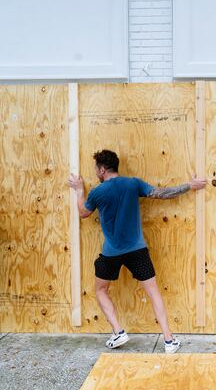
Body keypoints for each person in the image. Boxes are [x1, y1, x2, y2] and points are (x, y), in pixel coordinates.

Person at [68, 149, 206, 354]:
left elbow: (83, 213)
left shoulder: (97, 192)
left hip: (111, 253)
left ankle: (118, 331)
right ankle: (168, 340)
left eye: (96, 168)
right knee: (153, 292)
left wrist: (79, 190)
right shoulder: (133, 183)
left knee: (100, 290)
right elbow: (161, 194)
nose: (96, 172)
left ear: (102, 169)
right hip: (137, 251)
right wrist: (189, 186)